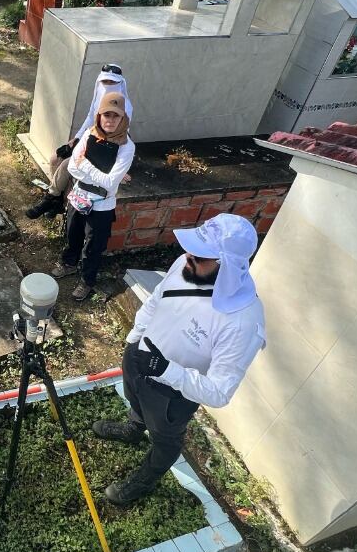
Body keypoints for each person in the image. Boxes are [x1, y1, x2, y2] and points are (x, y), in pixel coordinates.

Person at [94, 214, 266, 506]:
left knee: (166, 439)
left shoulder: (243, 322)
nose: (188, 256)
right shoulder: (185, 264)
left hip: (172, 394)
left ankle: (145, 480)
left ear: (227, 265)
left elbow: (220, 392)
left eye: (200, 255)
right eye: (191, 249)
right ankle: (134, 429)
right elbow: (156, 300)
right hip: (139, 358)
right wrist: (134, 340)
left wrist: (166, 370)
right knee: (135, 399)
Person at [50, 90, 136, 302]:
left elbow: (109, 183)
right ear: (99, 115)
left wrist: (86, 165)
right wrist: (98, 173)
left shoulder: (126, 147)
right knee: (72, 233)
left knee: (93, 246)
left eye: (116, 116)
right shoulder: (90, 134)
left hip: (101, 205)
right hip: (79, 196)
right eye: (107, 114)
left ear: (123, 118)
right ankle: (69, 263)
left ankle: (87, 280)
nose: (110, 120)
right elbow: (72, 168)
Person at [26, 64, 133, 220]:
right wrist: (75, 139)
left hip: (104, 150)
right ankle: (58, 202)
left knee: (65, 166)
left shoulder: (124, 106)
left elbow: (123, 134)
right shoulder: (99, 96)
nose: (108, 85)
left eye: (112, 82)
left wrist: (120, 167)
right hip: (90, 139)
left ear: (120, 82)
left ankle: (51, 198)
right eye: (105, 81)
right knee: (55, 158)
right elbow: (90, 118)